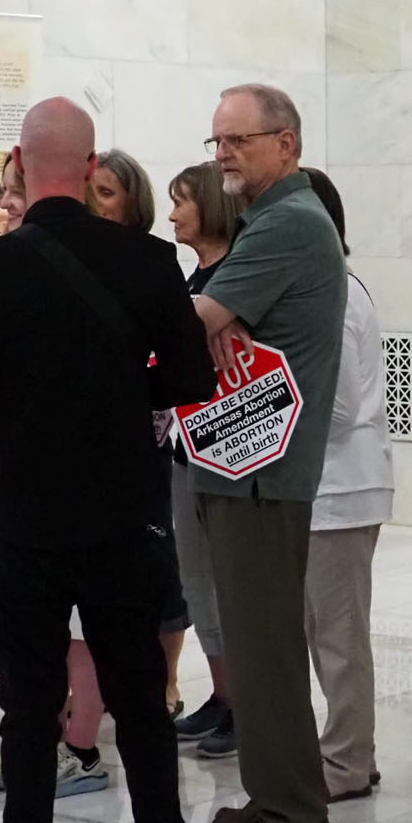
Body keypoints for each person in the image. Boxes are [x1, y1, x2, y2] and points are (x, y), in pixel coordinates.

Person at [0, 96, 218, 823]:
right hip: (124, 509)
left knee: (28, 699)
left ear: (19, 162)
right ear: (91, 170)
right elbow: (193, 380)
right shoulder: (152, 261)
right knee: (138, 691)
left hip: (25, 517)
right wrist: (127, 395)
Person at [190, 83, 346, 823]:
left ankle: (295, 817)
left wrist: (212, 313)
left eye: (238, 141)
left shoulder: (287, 223)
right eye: (217, 141)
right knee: (255, 645)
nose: (223, 155)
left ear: (285, 143)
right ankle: (273, 794)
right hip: (240, 464)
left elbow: (192, 329)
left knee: (267, 647)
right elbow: (214, 321)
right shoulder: (270, 223)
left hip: (261, 470)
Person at [0, 152, 112, 800]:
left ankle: (79, 747)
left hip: (72, 481)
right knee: (25, 627)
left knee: (83, 628)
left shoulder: (92, 269)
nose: (6, 204)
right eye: (2, 193)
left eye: (15, 191)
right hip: (10, 482)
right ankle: (45, 739)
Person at [84, 146, 188, 716]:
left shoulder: (150, 263)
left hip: (144, 442)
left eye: (106, 194)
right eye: (88, 192)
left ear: (131, 204)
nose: (94, 206)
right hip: (87, 447)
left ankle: (166, 681)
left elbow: (179, 362)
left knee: (156, 559)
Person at [300, 167, 393, 802]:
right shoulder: (325, 287)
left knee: (338, 639)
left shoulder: (335, 292)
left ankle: (346, 765)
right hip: (326, 491)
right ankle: (348, 751)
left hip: (338, 490)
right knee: (326, 635)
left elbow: (333, 410)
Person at [167, 162, 243, 757]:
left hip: (223, 451)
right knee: (197, 584)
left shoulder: (235, 280)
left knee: (225, 582)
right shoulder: (194, 279)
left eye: (183, 202)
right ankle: (222, 695)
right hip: (182, 449)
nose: (172, 215)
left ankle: (243, 702)